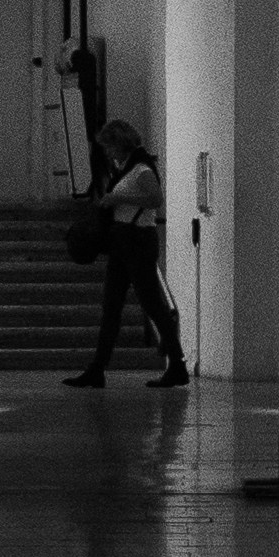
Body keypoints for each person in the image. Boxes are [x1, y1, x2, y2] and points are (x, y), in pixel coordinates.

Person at [70, 114, 187, 389]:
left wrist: (118, 197)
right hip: (124, 241)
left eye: (110, 146)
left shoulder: (141, 169)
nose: (108, 152)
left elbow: (155, 199)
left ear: (120, 143)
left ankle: (177, 365)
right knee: (111, 305)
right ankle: (97, 368)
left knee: (153, 305)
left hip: (138, 240)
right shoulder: (126, 167)